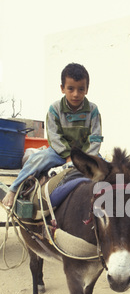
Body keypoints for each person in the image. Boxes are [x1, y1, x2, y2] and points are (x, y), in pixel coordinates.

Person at [2, 63, 103, 208]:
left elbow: (95, 138)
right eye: (71, 88)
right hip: (59, 153)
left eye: (81, 89)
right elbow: (54, 136)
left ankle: (117, 200)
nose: (76, 94)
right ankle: (13, 189)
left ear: (87, 89)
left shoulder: (93, 110)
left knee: (106, 165)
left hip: (85, 154)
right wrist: (68, 155)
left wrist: (84, 158)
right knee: (36, 160)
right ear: (62, 88)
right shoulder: (55, 109)